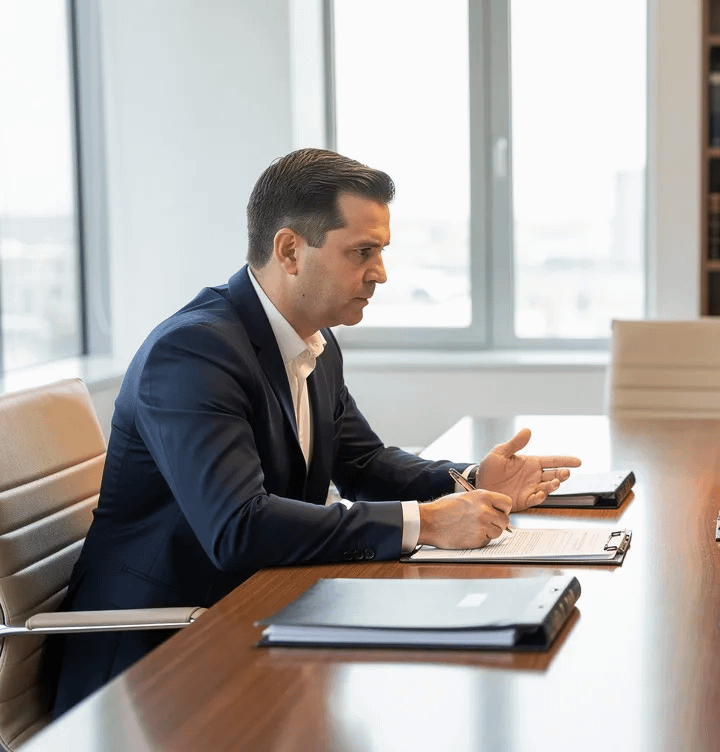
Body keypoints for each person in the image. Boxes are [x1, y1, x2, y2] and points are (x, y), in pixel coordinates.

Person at [46, 148, 581, 716]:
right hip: (153, 664)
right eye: (362, 252)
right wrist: (425, 523)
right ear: (290, 250)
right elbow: (238, 527)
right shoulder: (194, 353)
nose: (380, 272)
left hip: (252, 614)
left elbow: (365, 464)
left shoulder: (314, 346)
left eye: (381, 252)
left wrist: (470, 480)